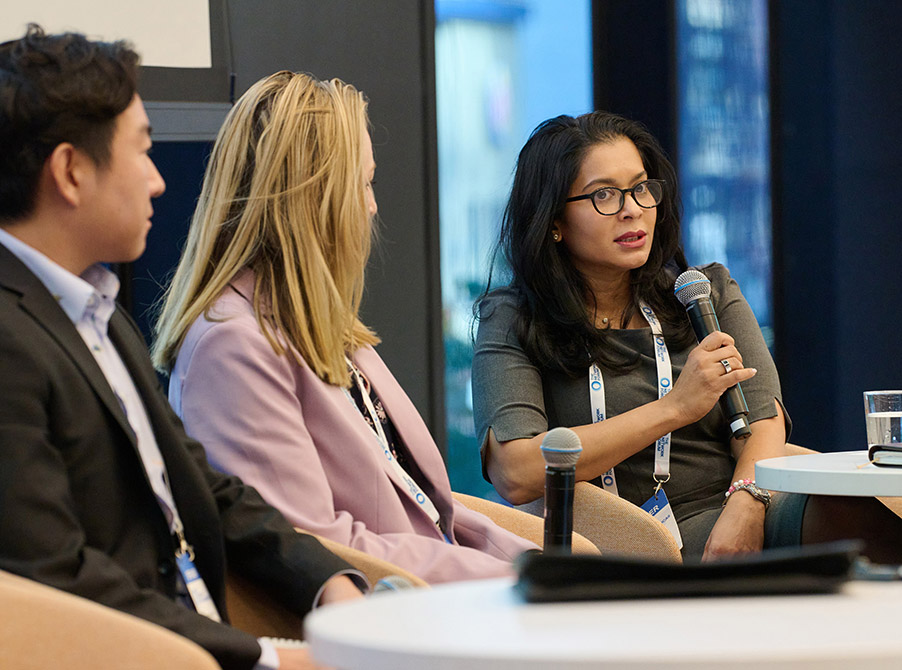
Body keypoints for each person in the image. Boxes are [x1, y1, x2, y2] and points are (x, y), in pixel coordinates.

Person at [0, 26, 365, 670]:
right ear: (70, 171)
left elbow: (203, 486)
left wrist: (326, 580)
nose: (159, 181)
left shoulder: (98, 314)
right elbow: (55, 574)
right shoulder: (9, 339)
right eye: (141, 151)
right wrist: (266, 659)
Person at [471, 111, 902, 564]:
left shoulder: (705, 292)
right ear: (554, 221)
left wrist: (746, 507)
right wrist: (674, 408)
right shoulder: (514, 318)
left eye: (641, 189)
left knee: (836, 516)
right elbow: (517, 472)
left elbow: (765, 422)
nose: (632, 211)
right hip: (621, 538)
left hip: (739, 506)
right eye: (604, 195)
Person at [151, 71, 538, 585]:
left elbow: (425, 510)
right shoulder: (231, 346)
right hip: (384, 618)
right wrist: (504, 578)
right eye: (365, 182)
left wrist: (538, 565)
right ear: (311, 198)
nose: (373, 205)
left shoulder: (316, 323)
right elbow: (314, 546)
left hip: (428, 594)